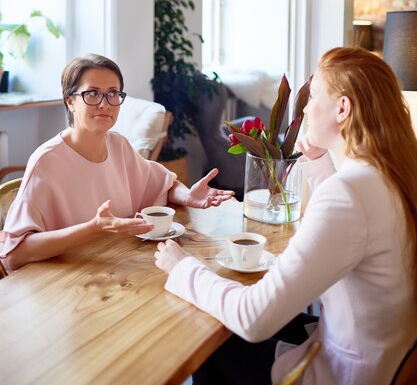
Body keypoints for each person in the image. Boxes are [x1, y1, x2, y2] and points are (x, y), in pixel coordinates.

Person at [154, 47, 417, 385]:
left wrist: (182, 267)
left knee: (206, 334)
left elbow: (253, 318)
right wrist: (321, 166)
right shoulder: (391, 176)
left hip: (341, 373)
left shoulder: (349, 194)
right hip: (379, 361)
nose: (305, 108)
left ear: (342, 109)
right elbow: (353, 229)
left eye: (314, 96)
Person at [0, 54, 234, 271]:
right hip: (66, 279)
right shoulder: (46, 162)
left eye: (113, 93)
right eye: (92, 93)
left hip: (117, 268)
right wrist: (93, 228)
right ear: (70, 101)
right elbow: (14, 253)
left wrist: (188, 197)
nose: (105, 104)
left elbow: (162, 181)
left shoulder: (118, 145)